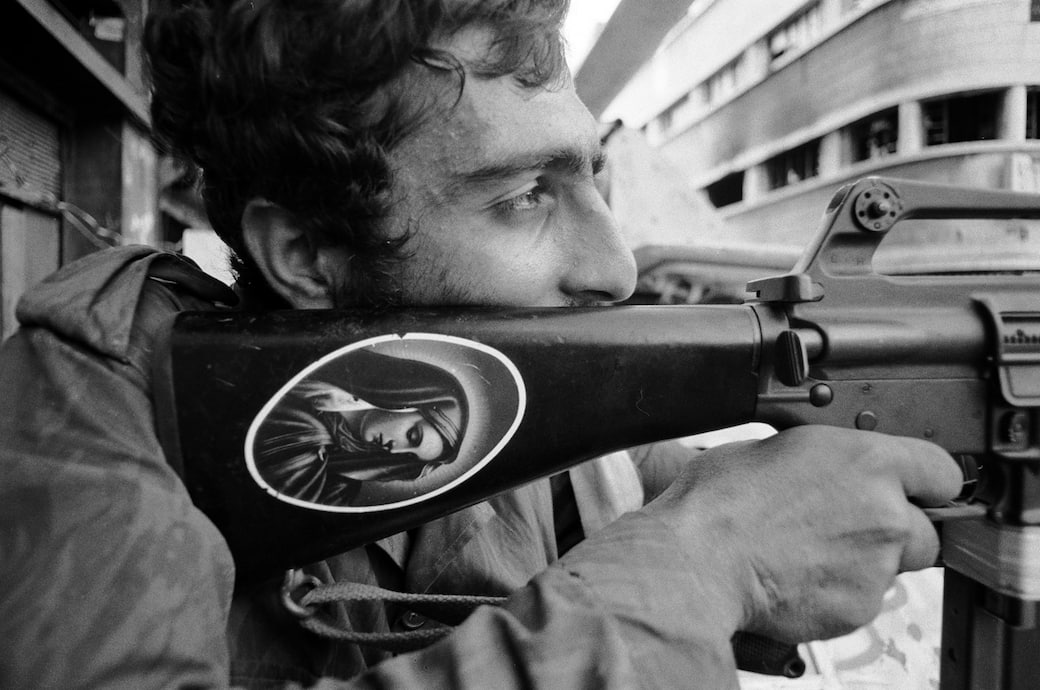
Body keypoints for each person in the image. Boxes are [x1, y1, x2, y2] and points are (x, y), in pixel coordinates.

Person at [0, 1, 962, 688]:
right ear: (307, 254)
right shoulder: (100, 414)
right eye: (523, 197)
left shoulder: (525, 401)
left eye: (593, 174)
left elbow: (715, 505)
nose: (616, 268)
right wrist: (709, 563)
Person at [252, 349, 468, 507]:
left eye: (409, 456)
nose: (395, 450)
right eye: (412, 436)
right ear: (408, 399)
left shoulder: (338, 489)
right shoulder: (315, 363)